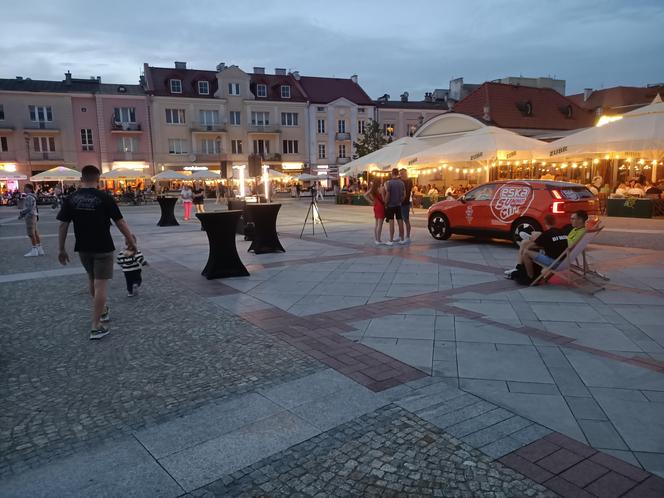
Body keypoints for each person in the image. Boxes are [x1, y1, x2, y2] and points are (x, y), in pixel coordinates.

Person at [57, 165, 137, 340]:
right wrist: (130, 240)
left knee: (92, 280)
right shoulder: (104, 197)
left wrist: (61, 248)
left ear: (81, 179)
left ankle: (103, 309)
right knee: (100, 285)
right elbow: (120, 222)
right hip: (103, 246)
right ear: (98, 179)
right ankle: (96, 325)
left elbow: (63, 224)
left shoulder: (71, 198)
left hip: (83, 247)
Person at [506, 214, 569, 282]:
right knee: (528, 242)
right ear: (554, 222)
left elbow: (530, 246)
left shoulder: (547, 234)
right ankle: (519, 267)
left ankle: (530, 277)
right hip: (565, 261)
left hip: (555, 262)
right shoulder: (562, 232)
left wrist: (532, 240)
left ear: (545, 222)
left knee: (526, 253)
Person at [18, 183, 44, 257]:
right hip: (34, 215)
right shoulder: (33, 196)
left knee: (31, 233)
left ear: (29, 188)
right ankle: (40, 248)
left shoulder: (29, 197)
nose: (24, 189)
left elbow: (29, 208)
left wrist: (22, 213)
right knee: (35, 232)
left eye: (25, 188)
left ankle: (34, 249)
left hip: (30, 216)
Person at [383, 168, 406, 245]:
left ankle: (391, 240)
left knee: (391, 222)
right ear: (398, 173)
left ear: (392, 173)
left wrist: (385, 203)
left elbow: (388, 195)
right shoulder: (402, 183)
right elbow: (404, 195)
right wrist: (400, 201)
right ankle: (402, 239)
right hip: (398, 205)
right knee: (400, 221)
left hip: (391, 205)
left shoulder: (389, 183)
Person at [364, 180, 386, 245]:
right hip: (381, 206)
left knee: (376, 224)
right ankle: (378, 240)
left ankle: (376, 239)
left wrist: (371, 201)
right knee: (380, 224)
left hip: (376, 206)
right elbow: (383, 199)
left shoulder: (372, 189)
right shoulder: (381, 189)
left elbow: (365, 195)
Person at [399, 168, 413, 243]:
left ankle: (407, 237)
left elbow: (407, 192)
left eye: (402, 173)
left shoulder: (409, 181)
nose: (400, 175)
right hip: (399, 203)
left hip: (405, 203)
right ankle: (400, 235)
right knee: (400, 220)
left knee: (406, 220)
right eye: (400, 173)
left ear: (405, 173)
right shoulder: (399, 180)